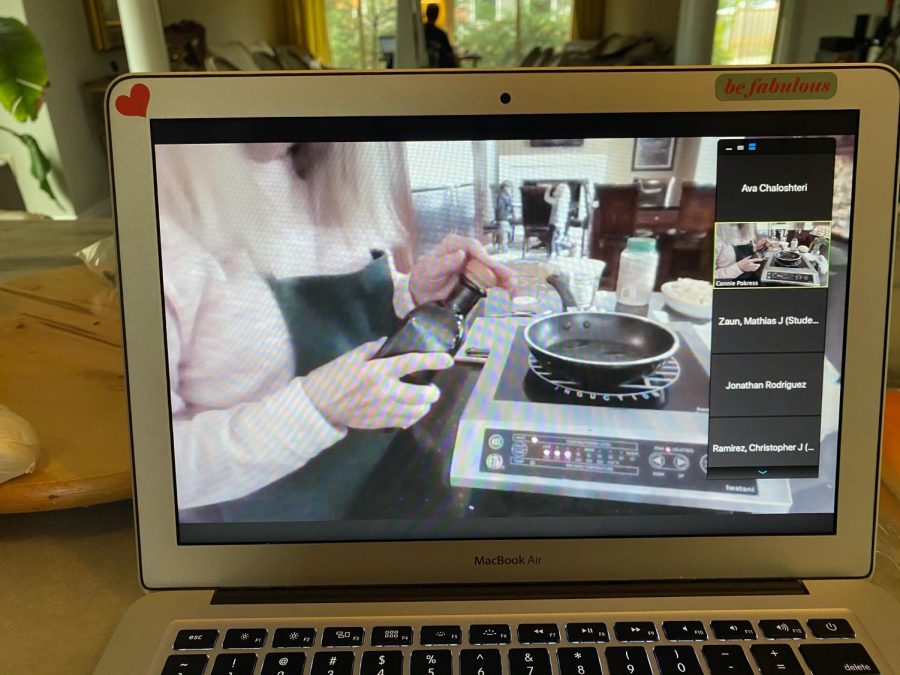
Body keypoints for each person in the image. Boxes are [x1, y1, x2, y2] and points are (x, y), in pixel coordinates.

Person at [157, 142, 513, 522]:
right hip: (277, 545)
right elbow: (160, 470)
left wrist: (411, 294)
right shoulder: (168, 229)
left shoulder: (334, 174)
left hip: (384, 488)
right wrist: (314, 410)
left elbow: (361, 298)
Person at [423, 3, 459, 68]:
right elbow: (449, 53)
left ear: (426, 13)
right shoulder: (440, 34)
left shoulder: (420, 31)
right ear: (437, 15)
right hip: (438, 68)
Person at [544, 182, 571, 258]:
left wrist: (548, 190)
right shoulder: (564, 202)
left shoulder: (558, 201)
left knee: (551, 238)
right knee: (557, 239)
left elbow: (547, 199)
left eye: (557, 189)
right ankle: (559, 251)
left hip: (554, 223)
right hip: (561, 223)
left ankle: (552, 252)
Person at [494, 180, 514, 253]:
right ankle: (503, 248)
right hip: (502, 218)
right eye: (508, 188)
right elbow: (501, 208)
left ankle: (501, 247)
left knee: (504, 232)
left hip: (504, 218)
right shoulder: (502, 198)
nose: (509, 190)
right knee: (504, 232)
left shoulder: (504, 197)